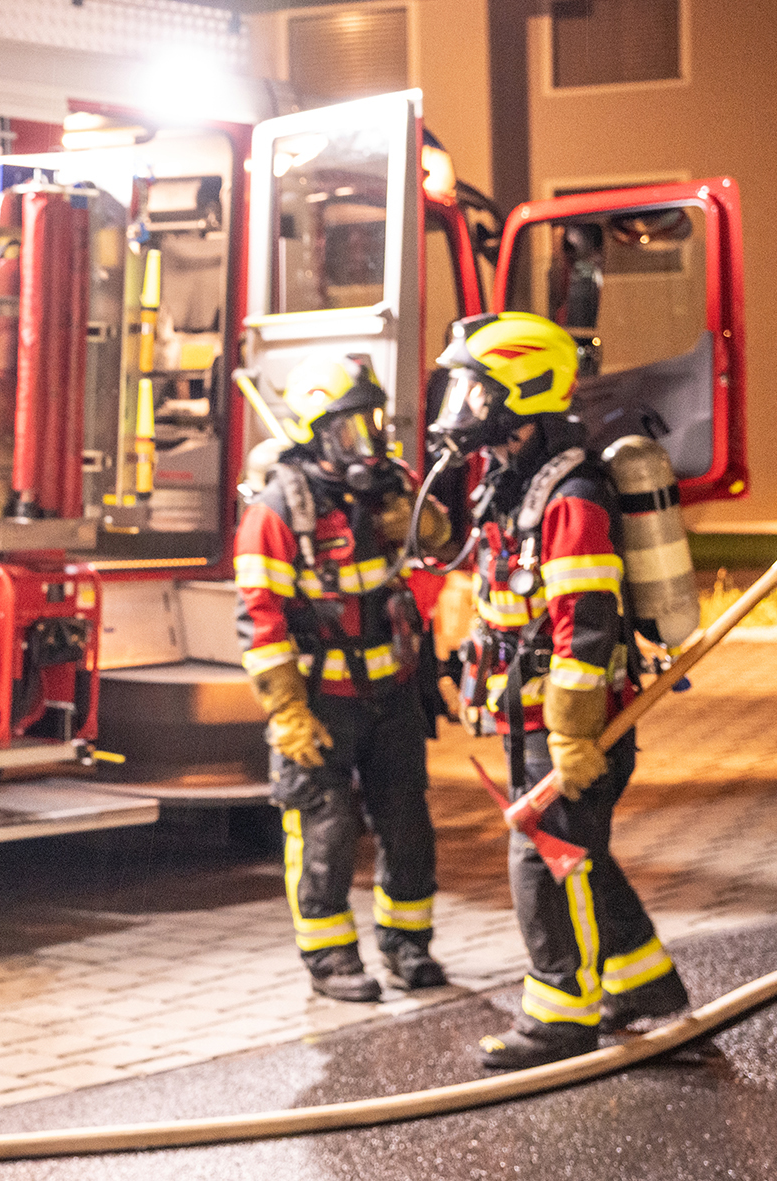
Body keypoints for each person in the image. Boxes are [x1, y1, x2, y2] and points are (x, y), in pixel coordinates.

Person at [432, 311, 690, 1069]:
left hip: (572, 727)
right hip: (533, 719)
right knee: (581, 852)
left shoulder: (572, 493)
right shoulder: (515, 481)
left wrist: (573, 734)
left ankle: (560, 1014)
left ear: (521, 392)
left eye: (475, 390)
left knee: (549, 859)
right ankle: (644, 985)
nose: (463, 406)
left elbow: (586, 625)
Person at [236, 354, 451, 1003]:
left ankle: (408, 945)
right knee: (324, 832)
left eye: (375, 424)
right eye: (352, 429)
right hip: (320, 703)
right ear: (317, 433)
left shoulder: (394, 490)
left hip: (393, 695)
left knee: (408, 825)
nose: (370, 442)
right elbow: (260, 620)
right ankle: (330, 959)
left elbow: (442, 556)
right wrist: (287, 714)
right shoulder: (279, 511)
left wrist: (423, 524)